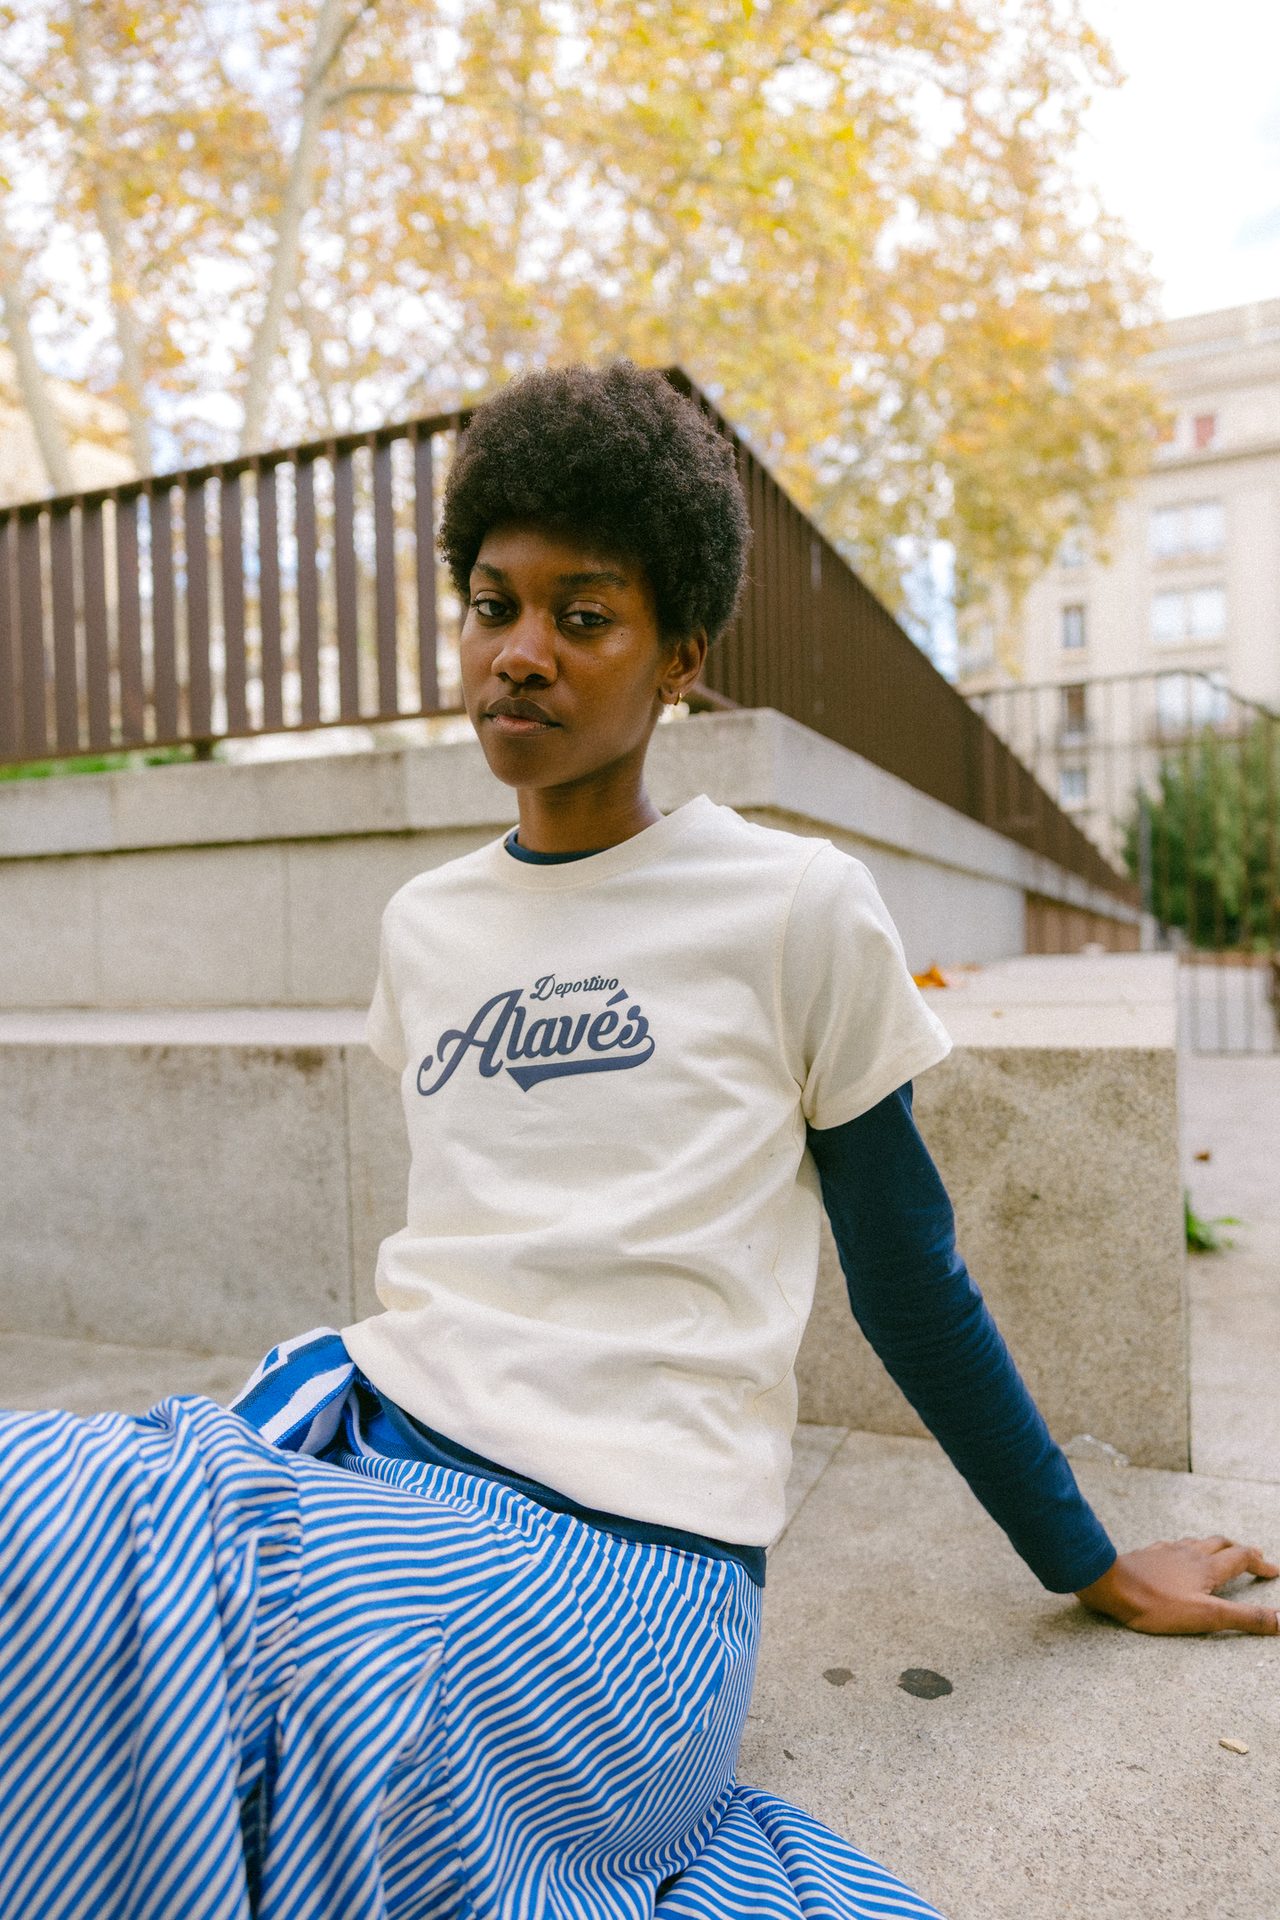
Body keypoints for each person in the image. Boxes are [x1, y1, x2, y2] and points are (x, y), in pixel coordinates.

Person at [1, 362, 1274, 1920]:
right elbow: (479, 1268)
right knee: (43, 1521)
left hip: (622, 1577)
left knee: (286, 1671)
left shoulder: (793, 907)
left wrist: (1085, 1560)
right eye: (491, 603)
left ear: (679, 657)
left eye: (582, 616)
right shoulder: (427, 925)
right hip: (386, 1471)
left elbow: (910, 1280)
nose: (518, 654)